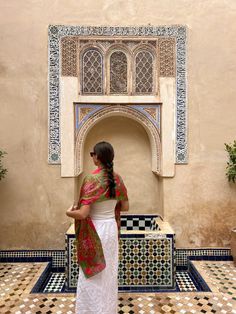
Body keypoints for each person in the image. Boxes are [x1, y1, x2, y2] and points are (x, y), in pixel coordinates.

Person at [66, 141, 129, 314]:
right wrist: (109, 207)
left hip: (96, 231)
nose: (92, 156)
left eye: (92, 154)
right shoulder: (117, 179)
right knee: (108, 273)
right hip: (110, 229)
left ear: (97, 157)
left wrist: (68, 212)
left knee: (91, 275)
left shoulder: (91, 179)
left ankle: (90, 311)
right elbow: (125, 207)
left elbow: (83, 214)